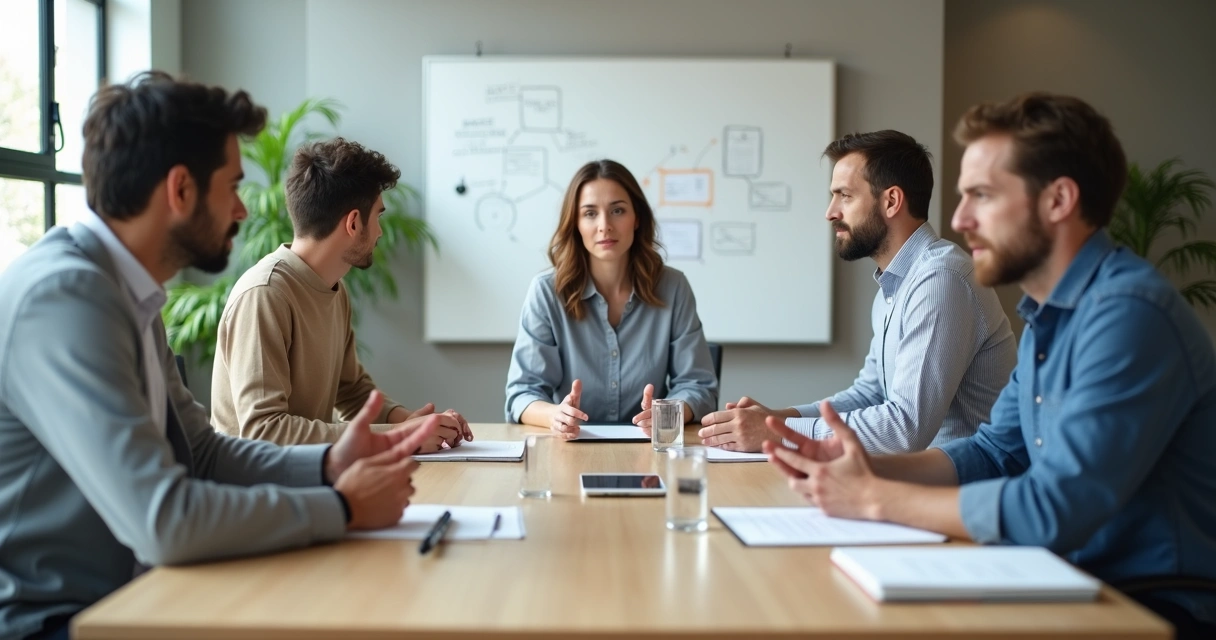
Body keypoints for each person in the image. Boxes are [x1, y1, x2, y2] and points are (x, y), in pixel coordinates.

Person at [0, 72, 438, 640]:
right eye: (230, 187)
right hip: (68, 621)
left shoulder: (127, 291)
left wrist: (329, 465)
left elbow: (200, 453)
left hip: (141, 596)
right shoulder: (66, 298)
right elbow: (165, 520)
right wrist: (341, 507)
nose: (241, 210)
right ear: (181, 190)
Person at [763, 93, 1216, 638]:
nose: (959, 219)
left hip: (1145, 605)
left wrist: (876, 498)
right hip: (1065, 576)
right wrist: (856, 463)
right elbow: (996, 450)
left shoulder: (1129, 316)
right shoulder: (1052, 315)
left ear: (1058, 200)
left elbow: (1056, 507)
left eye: (982, 195)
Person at [699, 131, 1016, 453]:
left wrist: (780, 433)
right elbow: (871, 394)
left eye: (845, 196)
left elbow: (906, 427)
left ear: (891, 201)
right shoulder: (895, 285)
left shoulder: (940, 281)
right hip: (922, 481)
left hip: (966, 490)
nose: (831, 211)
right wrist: (774, 421)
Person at [210, 137, 470, 449]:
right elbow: (264, 431)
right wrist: (399, 438)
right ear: (353, 223)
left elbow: (352, 391)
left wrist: (412, 422)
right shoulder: (264, 295)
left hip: (303, 478)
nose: (380, 232)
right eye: (378, 216)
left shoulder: (334, 287)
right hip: (255, 489)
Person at [505, 159, 718, 438]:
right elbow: (522, 393)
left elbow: (698, 386)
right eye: (590, 213)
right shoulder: (546, 292)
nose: (605, 226)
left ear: (637, 218)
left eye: (617, 210)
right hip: (569, 448)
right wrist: (555, 416)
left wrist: (667, 414)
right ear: (576, 224)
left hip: (650, 449)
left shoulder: (673, 287)